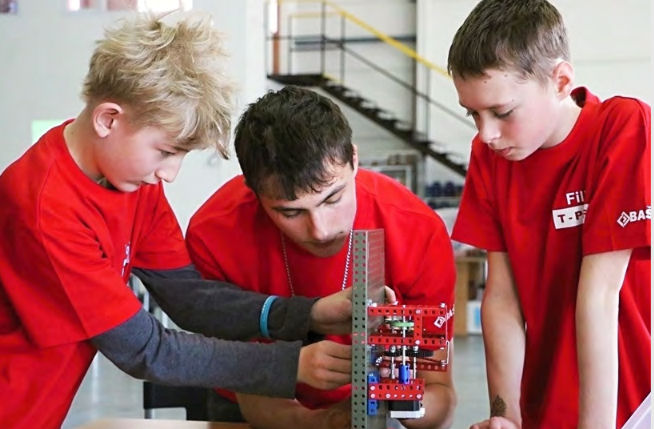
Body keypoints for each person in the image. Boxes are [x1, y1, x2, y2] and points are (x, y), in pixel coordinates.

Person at [0, 14, 356, 428]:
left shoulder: (132, 182)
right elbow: (146, 350)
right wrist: (290, 364)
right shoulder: (46, 207)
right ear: (108, 119)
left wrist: (308, 314)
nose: (170, 174)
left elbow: (188, 297)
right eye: (166, 152)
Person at [186, 85, 457, 429]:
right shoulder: (214, 235)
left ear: (354, 160)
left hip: (375, 411)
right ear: (253, 192)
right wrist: (328, 422)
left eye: (333, 199)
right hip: (252, 406)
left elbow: (439, 394)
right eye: (291, 212)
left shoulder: (418, 231)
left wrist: (401, 398)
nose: (320, 229)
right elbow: (250, 390)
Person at [446, 1, 651, 428]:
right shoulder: (489, 158)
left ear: (560, 81)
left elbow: (600, 295)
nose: (487, 133)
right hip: (544, 407)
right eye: (473, 114)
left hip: (630, 404)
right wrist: (506, 414)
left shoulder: (620, 126)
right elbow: (501, 299)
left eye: (502, 112)